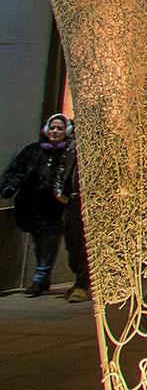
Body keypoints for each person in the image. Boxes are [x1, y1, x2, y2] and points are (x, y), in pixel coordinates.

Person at [2, 115, 84, 298]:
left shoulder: (69, 154)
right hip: (33, 208)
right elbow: (17, 170)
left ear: (66, 132)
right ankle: (43, 276)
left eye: (60, 129)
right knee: (39, 244)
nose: (55, 132)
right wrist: (10, 186)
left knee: (49, 243)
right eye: (53, 128)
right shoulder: (32, 151)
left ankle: (40, 277)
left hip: (56, 210)